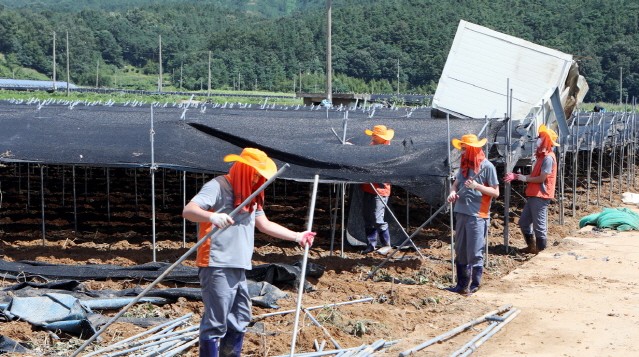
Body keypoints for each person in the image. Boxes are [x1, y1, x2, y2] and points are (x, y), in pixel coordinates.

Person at [182, 148, 316, 357]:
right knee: (216, 322)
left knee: (240, 318)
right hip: (217, 264)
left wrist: (297, 236)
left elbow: (264, 224)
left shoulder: (251, 195)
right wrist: (211, 217)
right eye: (255, 173)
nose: (258, 178)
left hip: (239, 266)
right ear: (244, 169)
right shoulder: (218, 186)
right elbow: (188, 211)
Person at [445, 134, 499, 295]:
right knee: (461, 250)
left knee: (475, 252)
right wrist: (452, 194)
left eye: (464, 148)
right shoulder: (464, 166)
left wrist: (477, 186)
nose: (461, 151)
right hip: (461, 213)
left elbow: (495, 192)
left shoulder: (487, 167)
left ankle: (475, 286)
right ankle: (461, 285)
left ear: (472, 149)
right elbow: (455, 185)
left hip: (478, 215)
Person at [504, 124, 559, 254]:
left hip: (541, 195)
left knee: (539, 227)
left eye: (540, 137)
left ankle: (541, 253)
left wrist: (523, 179)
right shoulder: (541, 157)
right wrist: (518, 176)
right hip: (534, 194)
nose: (537, 139)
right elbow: (535, 176)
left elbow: (541, 178)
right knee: (523, 222)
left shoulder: (548, 158)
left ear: (545, 140)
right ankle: (532, 247)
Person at [360, 125, 394, 255]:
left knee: (377, 218)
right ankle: (371, 245)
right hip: (368, 187)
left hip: (380, 189)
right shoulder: (372, 145)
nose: (372, 137)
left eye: (375, 135)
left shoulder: (387, 150)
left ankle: (387, 245)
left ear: (382, 137)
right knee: (367, 217)